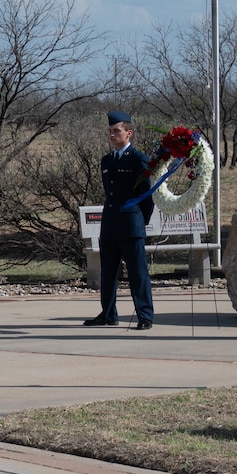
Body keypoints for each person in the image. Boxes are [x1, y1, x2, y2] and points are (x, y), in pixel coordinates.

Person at [84, 111, 155, 330]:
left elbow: (146, 196)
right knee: (108, 272)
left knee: (137, 273)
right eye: (110, 131)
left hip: (131, 224)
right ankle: (108, 313)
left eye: (117, 131)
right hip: (111, 224)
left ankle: (144, 315)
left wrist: (139, 221)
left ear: (128, 133)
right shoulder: (107, 160)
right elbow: (110, 192)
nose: (112, 134)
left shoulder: (138, 159)